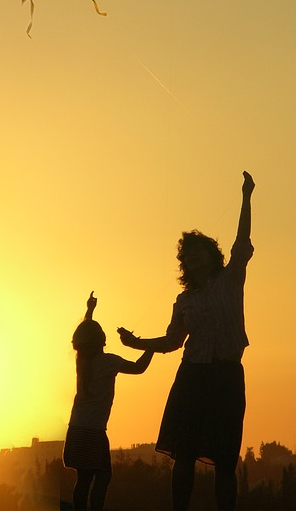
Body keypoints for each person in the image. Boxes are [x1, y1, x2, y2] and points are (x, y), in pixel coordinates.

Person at [118, 170, 255, 511]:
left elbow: (242, 240)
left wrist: (246, 196)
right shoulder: (184, 301)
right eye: (187, 254)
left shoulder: (230, 279)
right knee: (184, 454)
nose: (192, 256)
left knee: (225, 458)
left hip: (225, 375)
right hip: (191, 377)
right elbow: (171, 341)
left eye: (198, 251)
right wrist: (137, 344)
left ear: (211, 255)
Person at [63, 292, 154, 511]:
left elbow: (86, 332)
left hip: (76, 430)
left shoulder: (81, 362)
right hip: (94, 431)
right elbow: (139, 368)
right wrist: (152, 346)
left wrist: (90, 310)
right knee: (103, 476)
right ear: (102, 340)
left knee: (83, 480)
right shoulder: (108, 362)